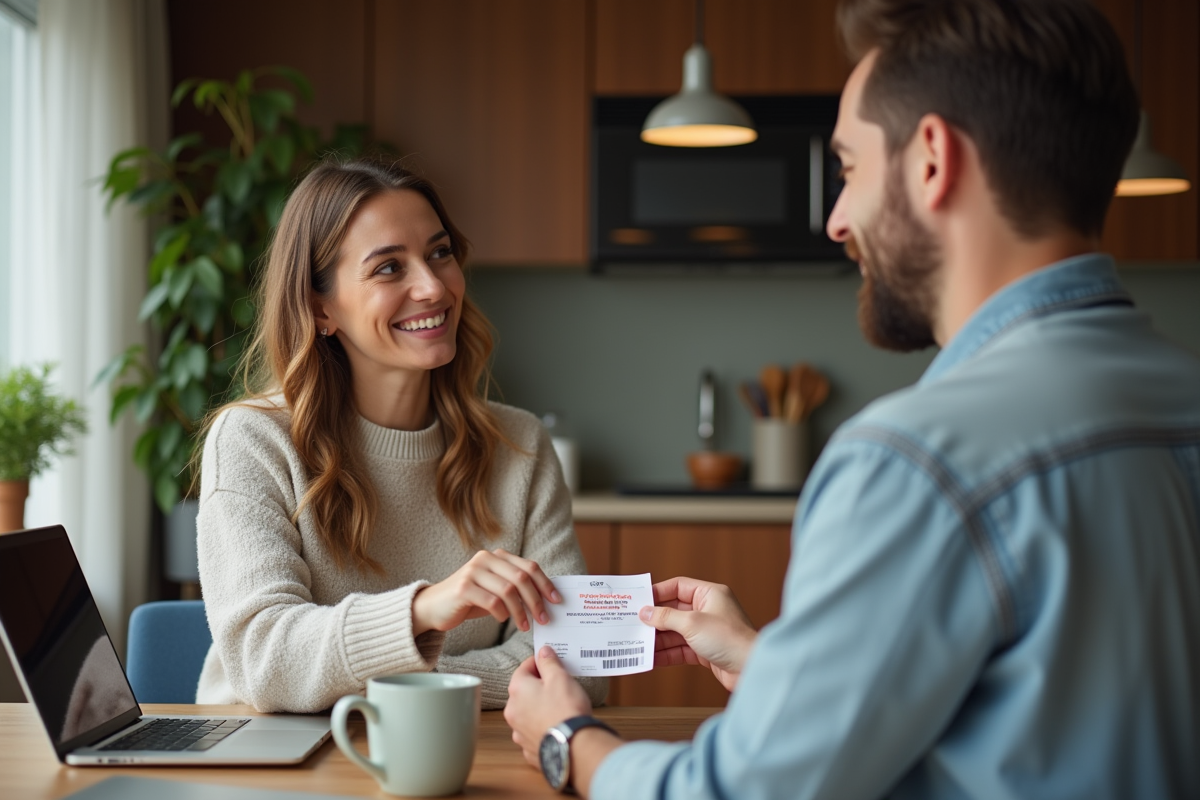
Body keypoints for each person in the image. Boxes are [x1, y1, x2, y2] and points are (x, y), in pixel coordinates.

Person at [504, 0, 1200, 796]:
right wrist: (777, 666)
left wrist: (567, 738)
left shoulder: (917, 459)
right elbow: (1049, 712)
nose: (836, 221)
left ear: (932, 160)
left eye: (848, 169)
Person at [194, 157, 606, 713]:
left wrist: (417, 680)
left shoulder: (520, 445)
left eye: (439, 253)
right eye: (389, 268)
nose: (433, 287)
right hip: (278, 762)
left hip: (459, 755)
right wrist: (424, 611)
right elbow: (266, 660)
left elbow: (578, 661)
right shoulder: (253, 441)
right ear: (321, 309)